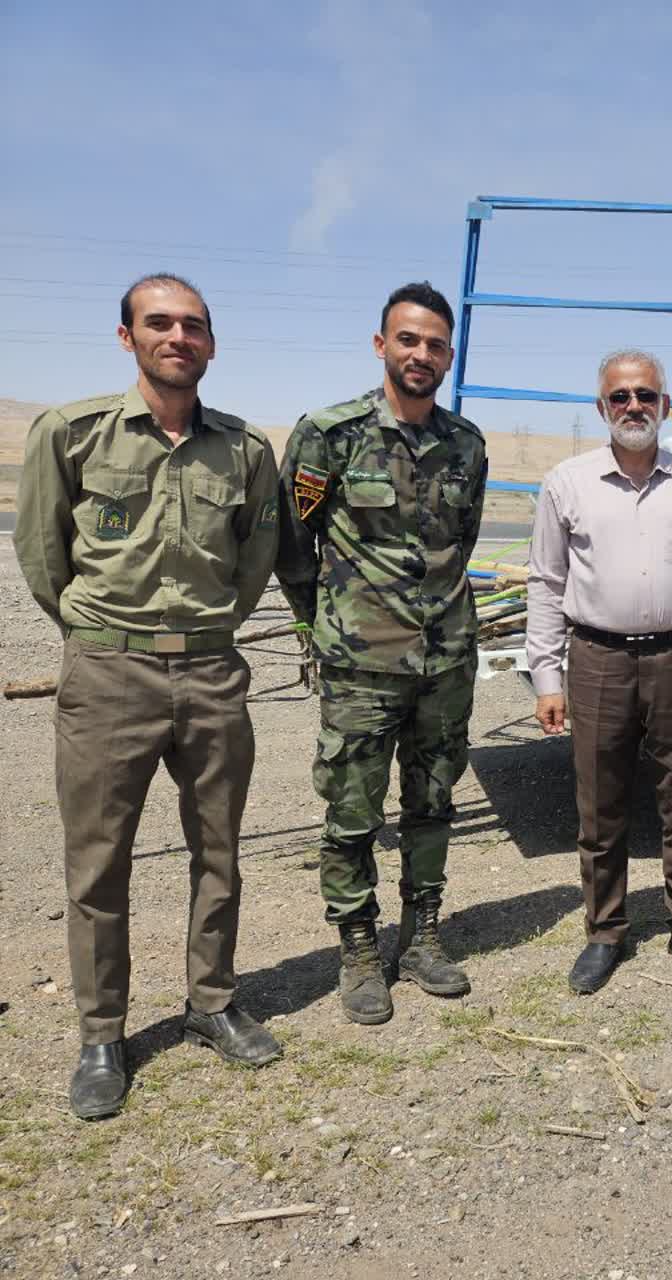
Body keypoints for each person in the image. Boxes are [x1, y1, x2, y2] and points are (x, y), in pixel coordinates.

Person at [16, 273, 283, 1118]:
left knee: (219, 851)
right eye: (159, 323)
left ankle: (212, 1003)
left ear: (212, 344)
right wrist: (100, 635)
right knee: (99, 863)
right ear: (127, 336)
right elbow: (42, 555)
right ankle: (102, 1035)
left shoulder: (244, 450)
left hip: (211, 672)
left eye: (193, 326)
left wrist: (209, 631)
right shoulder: (73, 433)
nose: (178, 337)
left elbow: (254, 561)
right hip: (108, 675)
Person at [275, 281, 487, 1026]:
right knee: (352, 813)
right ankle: (359, 948)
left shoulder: (466, 444)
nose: (421, 354)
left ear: (448, 356)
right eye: (408, 339)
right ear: (381, 345)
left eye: (435, 345)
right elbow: (292, 547)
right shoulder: (328, 435)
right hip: (361, 667)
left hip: (445, 662)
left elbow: (460, 543)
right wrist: (322, 628)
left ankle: (422, 935)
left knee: (433, 804)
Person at [526, 350, 672, 993]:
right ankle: (605, 930)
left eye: (645, 395)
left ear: (664, 405)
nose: (633, 406)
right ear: (601, 407)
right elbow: (546, 582)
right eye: (620, 396)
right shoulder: (567, 483)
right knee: (600, 803)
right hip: (598, 659)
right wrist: (548, 677)